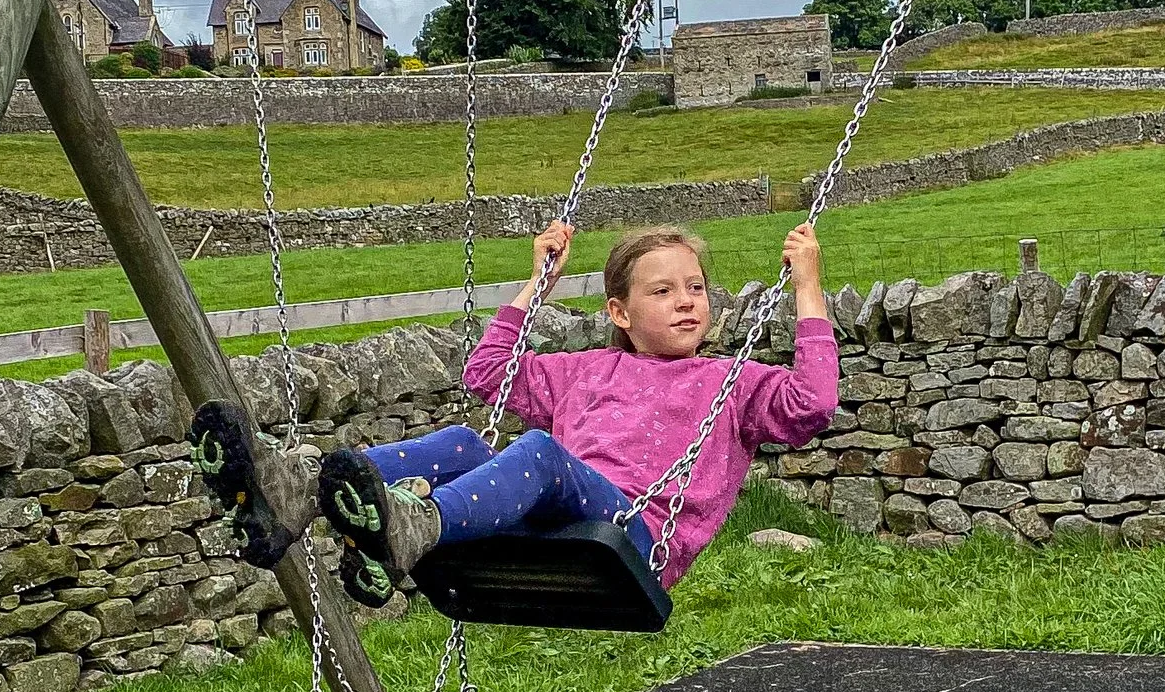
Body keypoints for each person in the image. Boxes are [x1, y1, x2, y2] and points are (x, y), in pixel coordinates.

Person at [315, 218, 838, 605]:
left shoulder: (733, 383)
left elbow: (812, 404)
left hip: (630, 541)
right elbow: (486, 373)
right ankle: (313, 483)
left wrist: (807, 286)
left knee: (540, 452)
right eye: (663, 291)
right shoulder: (584, 371)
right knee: (463, 444)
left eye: (695, 288)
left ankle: (415, 525)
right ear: (619, 312)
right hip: (550, 525)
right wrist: (538, 284)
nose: (686, 301)